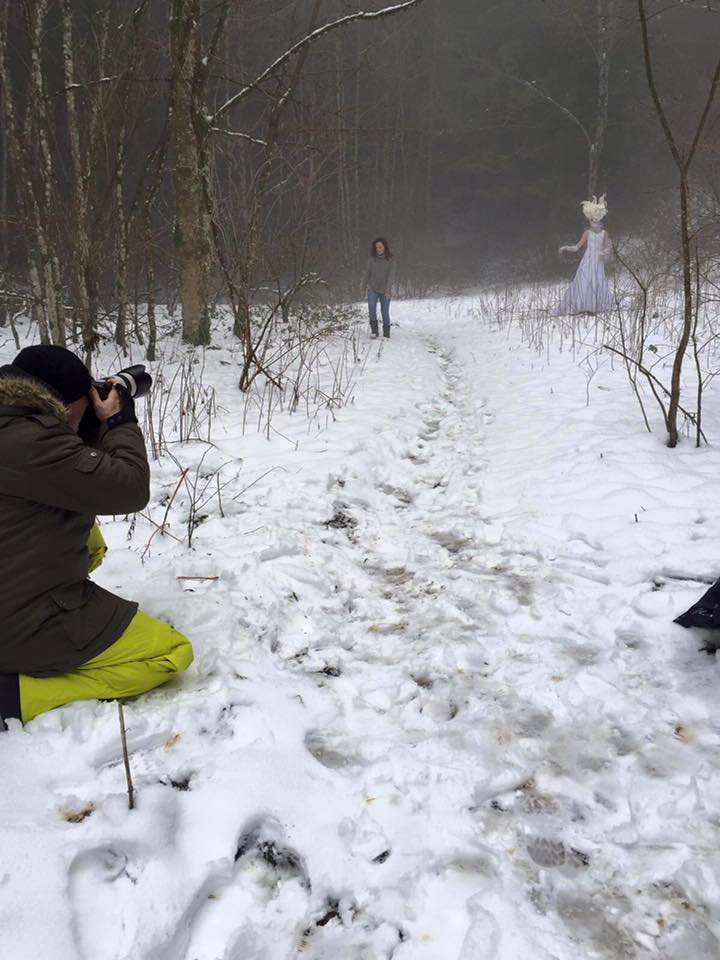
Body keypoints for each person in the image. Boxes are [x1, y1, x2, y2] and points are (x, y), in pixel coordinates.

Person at [0, 345, 193, 730]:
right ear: (61, 402)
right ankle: (14, 696)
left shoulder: (13, 425)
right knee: (171, 654)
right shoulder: (32, 443)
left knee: (90, 537)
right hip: (17, 627)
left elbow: (66, 475)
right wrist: (118, 422)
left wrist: (83, 427)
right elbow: (129, 489)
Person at [555, 194, 613, 316]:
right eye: (592, 220)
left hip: (598, 261)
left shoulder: (604, 233)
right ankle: (582, 305)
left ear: (600, 220)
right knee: (584, 280)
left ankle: (595, 305)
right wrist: (566, 248)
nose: (595, 222)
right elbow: (577, 247)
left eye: (597, 220)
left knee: (598, 280)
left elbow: (608, 247)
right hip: (587, 260)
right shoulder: (587, 233)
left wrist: (603, 252)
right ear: (590, 220)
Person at [362, 237, 396, 339]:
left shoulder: (391, 260)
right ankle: (374, 331)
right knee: (371, 307)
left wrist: (388, 290)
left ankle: (386, 332)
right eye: (376, 247)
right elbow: (367, 273)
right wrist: (363, 286)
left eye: (380, 247)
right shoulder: (372, 260)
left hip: (385, 289)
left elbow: (391, 277)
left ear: (385, 247)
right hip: (373, 288)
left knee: (384, 311)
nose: (378, 249)